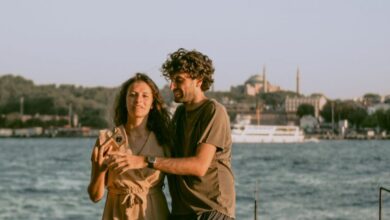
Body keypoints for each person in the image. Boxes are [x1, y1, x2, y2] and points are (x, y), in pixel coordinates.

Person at [108, 48, 236, 220]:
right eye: (171, 80)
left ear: (198, 81)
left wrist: (145, 160)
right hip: (181, 212)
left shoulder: (213, 111)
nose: (172, 86)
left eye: (179, 80)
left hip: (209, 210)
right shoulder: (179, 114)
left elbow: (199, 166)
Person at [88, 73, 171, 220]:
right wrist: (100, 171)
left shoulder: (163, 140)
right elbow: (95, 196)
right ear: (124, 100)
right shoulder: (107, 140)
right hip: (117, 213)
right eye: (133, 95)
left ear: (152, 103)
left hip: (154, 212)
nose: (138, 100)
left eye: (145, 96)